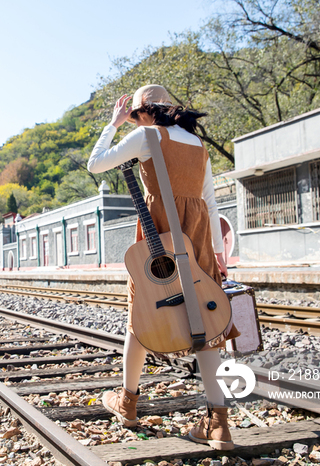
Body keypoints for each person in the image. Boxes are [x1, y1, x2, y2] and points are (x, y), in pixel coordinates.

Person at [88, 84, 238, 450]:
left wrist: (112, 123)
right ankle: (219, 424)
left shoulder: (145, 135)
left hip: (159, 230)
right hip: (198, 234)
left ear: (142, 112)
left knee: (143, 314)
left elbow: (96, 164)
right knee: (206, 319)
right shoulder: (198, 145)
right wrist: (218, 252)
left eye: (134, 114)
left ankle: (128, 402)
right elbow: (210, 201)